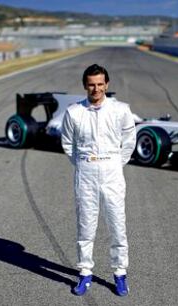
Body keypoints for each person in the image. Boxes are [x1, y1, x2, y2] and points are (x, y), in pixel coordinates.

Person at [61, 64, 136, 296]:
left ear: (107, 85)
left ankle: (120, 273)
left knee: (117, 225)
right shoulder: (73, 112)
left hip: (112, 171)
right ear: (85, 85)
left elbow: (129, 141)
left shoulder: (121, 109)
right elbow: (67, 144)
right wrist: (86, 163)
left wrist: (113, 163)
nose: (96, 88)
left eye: (100, 84)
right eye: (91, 84)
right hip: (86, 172)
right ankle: (85, 273)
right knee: (86, 226)